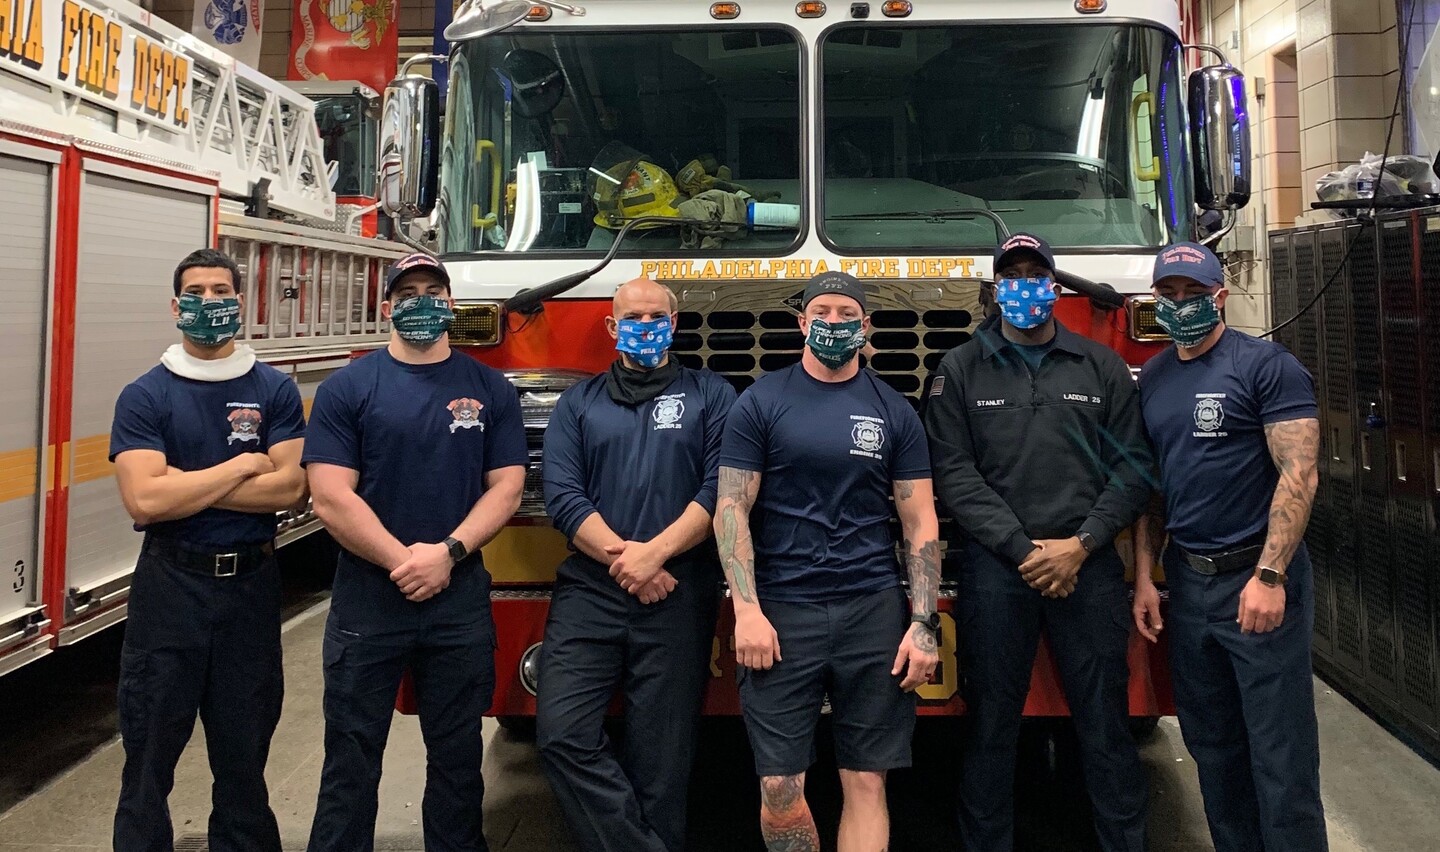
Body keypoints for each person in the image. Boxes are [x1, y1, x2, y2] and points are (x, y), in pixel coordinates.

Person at [924, 233, 1154, 852]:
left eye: (1034, 275)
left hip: (1090, 567)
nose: (1024, 286)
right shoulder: (961, 368)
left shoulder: (1099, 365)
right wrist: (1023, 550)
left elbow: (1133, 466)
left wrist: (1083, 542)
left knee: (1106, 725)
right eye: (1012, 276)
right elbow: (953, 474)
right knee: (992, 727)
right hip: (999, 573)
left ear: (1053, 286)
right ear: (997, 289)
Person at [303, 253, 527, 851]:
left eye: (433, 291)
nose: (421, 302)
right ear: (386, 309)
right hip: (369, 599)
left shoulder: (489, 389)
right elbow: (329, 495)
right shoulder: (348, 388)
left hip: (458, 599)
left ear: (450, 306)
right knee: (350, 761)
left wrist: (448, 553)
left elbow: (506, 486)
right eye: (407, 294)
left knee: (457, 762)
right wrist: (406, 562)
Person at [715, 271, 941, 852]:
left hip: (873, 610)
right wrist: (747, 612)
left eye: (847, 314)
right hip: (782, 612)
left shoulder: (894, 411)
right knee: (779, 785)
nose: (833, 323)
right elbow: (732, 510)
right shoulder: (761, 402)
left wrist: (923, 623)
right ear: (802, 324)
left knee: (866, 780)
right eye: (822, 312)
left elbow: (919, 522)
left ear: (866, 327)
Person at [110, 248, 306, 852]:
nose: (210, 302)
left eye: (222, 291)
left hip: (250, 591)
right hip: (171, 590)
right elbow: (143, 502)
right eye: (196, 292)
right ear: (176, 307)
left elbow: (292, 486)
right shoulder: (145, 395)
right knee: (149, 758)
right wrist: (243, 467)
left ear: (240, 303)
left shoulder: (275, 389)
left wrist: (186, 485)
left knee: (244, 758)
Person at [1133, 241, 1327, 852]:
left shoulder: (1267, 366)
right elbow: (1154, 489)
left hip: (1258, 582)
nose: (1182, 305)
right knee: (1213, 750)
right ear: (1155, 300)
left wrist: (1270, 577)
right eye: (1170, 295)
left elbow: (1300, 473)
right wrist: (1146, 576)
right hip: (1190, 587)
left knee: (1280, 756)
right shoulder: (1157, 377)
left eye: (1195, 294)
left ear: (1220, 296)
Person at [536, 277, 736, 852]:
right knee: (562, 736)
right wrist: (630, 561)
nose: (644, 326)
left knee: (663, 763)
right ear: (611, 327)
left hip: (679, 590)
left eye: (656, 317)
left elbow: (720, 490)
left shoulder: (712, 395)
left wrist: (658, 554)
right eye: (633, 317)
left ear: (674, 325)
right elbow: (565, 496)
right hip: (589, 591)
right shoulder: (579, 403)